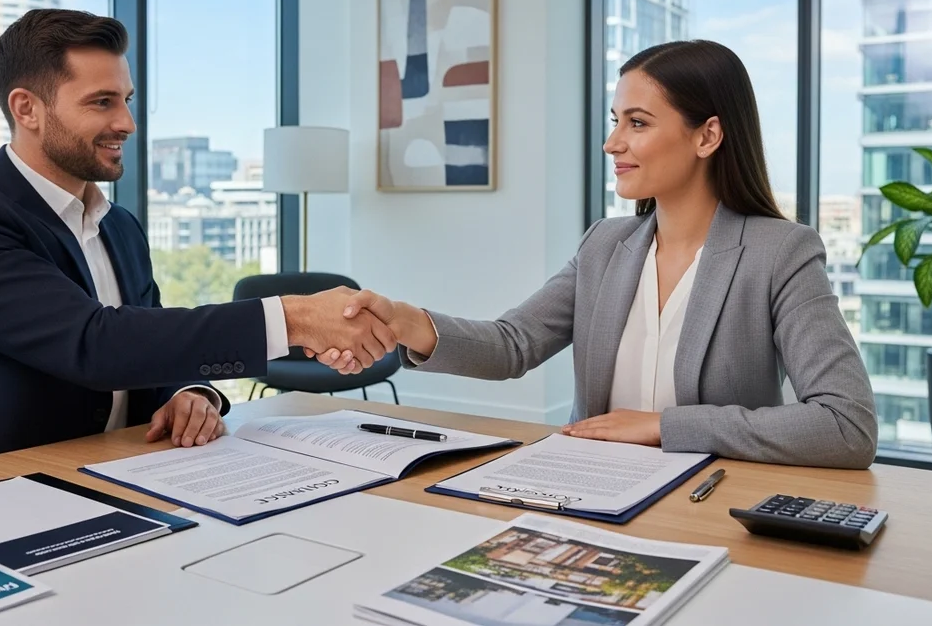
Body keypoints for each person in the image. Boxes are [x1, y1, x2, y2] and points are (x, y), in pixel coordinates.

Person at [310, 40, 877, 469]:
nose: (612, 144)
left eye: (637, 123)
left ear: (707, 136)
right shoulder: (605, 244)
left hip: (710, 503)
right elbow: (513, 346)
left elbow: (845, 424)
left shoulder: (781, 253)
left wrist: (663, 427)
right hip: (592, 484)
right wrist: (409, 322)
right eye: (615, 122)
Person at [0, 9, 394, 472]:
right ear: (26, 108)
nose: (127, 124)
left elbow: (148, 339)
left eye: (126, 100)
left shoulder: (119, 225)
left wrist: (189, 393)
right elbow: (94, 344)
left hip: (118, 470)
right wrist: (296, 317)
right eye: (102, 102)